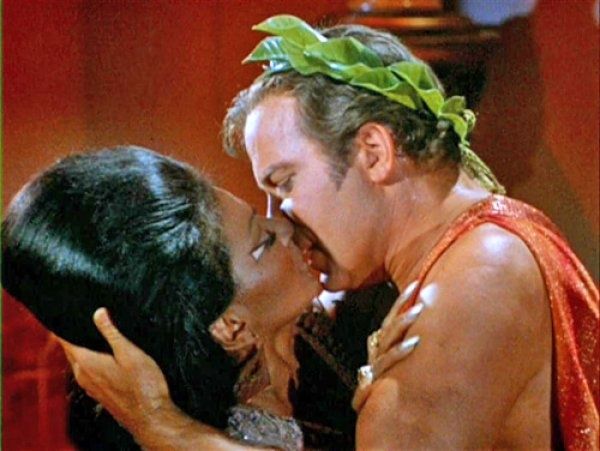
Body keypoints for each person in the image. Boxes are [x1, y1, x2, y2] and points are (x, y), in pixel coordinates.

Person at [61, 16, 599, 450]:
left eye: (284, 182)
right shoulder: (483, 245)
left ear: (374, 153)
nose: (280, 216)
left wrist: (166, 430)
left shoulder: (468, 284)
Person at [2, 146, 420, 449]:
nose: (285, 227)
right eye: (263, 243)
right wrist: (163, 427)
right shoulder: (211, 433)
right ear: (231, 327)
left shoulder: (321, 336)